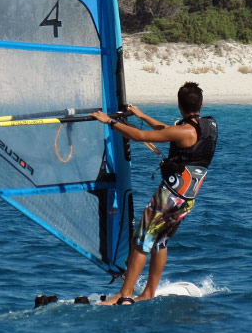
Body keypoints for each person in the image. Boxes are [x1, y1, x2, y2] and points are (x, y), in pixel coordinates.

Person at [90, 81, 217, 305]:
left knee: (141, 242)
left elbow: (139, 137)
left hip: (169, 197)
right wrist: (143, 115)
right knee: (160, 242)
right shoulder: (203, 127)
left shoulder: (184, 131)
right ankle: (148, 292)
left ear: (179, 105)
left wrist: (109, 122)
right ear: (201, 104)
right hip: (187, 199)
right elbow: (165, 130)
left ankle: (124, 294)